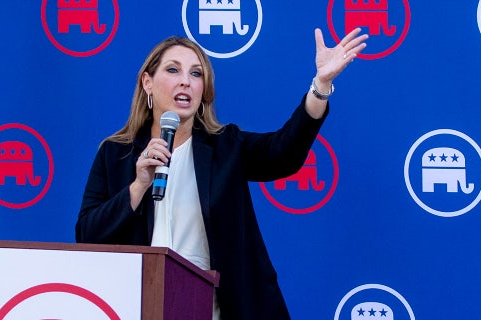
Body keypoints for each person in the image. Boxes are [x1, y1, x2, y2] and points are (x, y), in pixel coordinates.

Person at [76, 28, 368, 319]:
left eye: (196, 74)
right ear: (147, 83)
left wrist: (321, 84)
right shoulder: (116, 154)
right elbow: (87, 235)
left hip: (215, 310)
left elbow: (284, 153)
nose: (185, 82)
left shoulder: (226, 146)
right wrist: (138, 187)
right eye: (173, 70)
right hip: (140, 307)